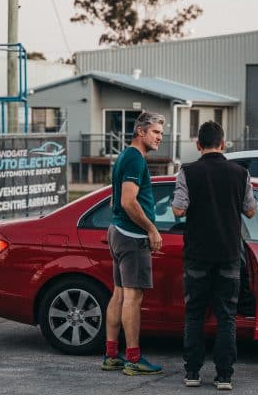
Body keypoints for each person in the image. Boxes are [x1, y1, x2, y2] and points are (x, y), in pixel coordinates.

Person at [172, 121, 256, 390]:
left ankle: (193, 373)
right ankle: (224, 376)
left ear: (198, 145)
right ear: (223, 144)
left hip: (197, 254)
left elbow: (178, 210)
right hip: (229, 254)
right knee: (226, 316)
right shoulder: (240, 174)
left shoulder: (188, 171)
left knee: (194, 314)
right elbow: (251, 211)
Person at [101, 111, 165, 376]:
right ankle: (134, 359)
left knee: (119, 294)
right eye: (156, 132)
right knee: (132, 298)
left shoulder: (124, 157)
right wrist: (152, 229)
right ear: (141, 132)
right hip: (133, 237)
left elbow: (115, 200)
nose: (160, 138)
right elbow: (128, 201)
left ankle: (111, 355)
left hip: (118, 232)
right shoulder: (136, 159)